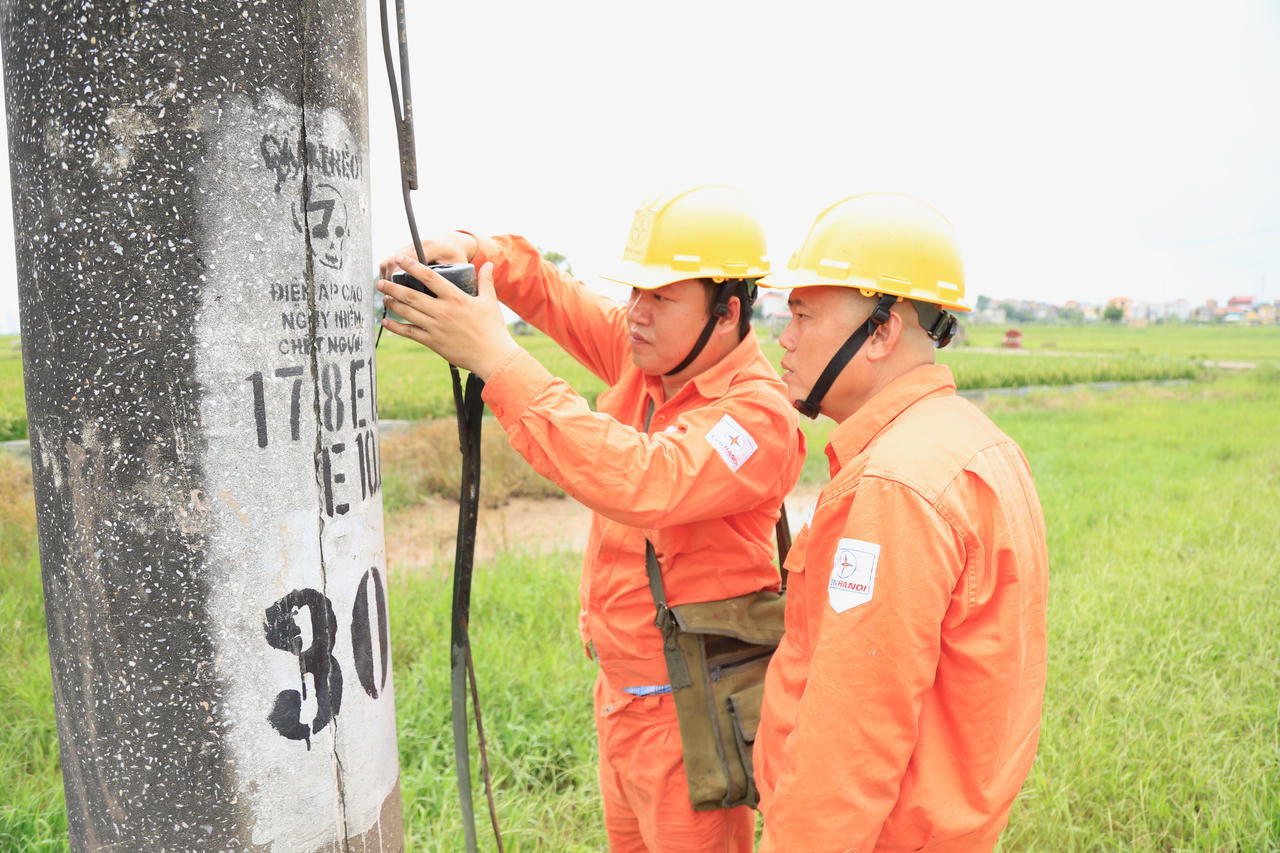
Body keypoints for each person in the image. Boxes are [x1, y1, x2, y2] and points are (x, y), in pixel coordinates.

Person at [377, 185, 805, 853]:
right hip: (622, 699)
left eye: (660, 298)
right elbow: (551, 294)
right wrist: (477, 252)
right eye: (635, 292)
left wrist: (497, 359)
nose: (636, 313)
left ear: (726, 313)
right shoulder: (651, 362)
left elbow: (646, 479)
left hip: (690, 714)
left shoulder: (757, 418)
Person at [752, 193, 1049, 853]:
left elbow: (849, 747)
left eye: (802, 315)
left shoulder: (896, 485)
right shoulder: (977, 442)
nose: (785, 337)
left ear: (882, 330)